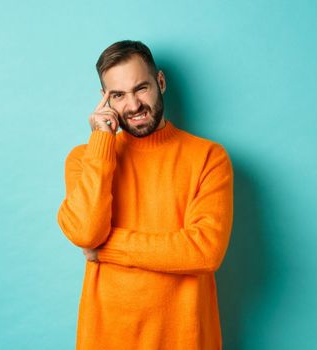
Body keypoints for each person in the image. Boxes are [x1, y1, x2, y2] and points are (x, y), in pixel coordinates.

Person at [56, 40, 234, 349]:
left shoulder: (208, 157)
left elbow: (204, 251)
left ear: (160, 82)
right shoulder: (84, 159)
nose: (134, 105)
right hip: (106, 338)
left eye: (141, 88)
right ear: (104, 100)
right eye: (118, 95)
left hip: (185, 339)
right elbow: (87, 234)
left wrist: (106, 249)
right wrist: (102, 142)